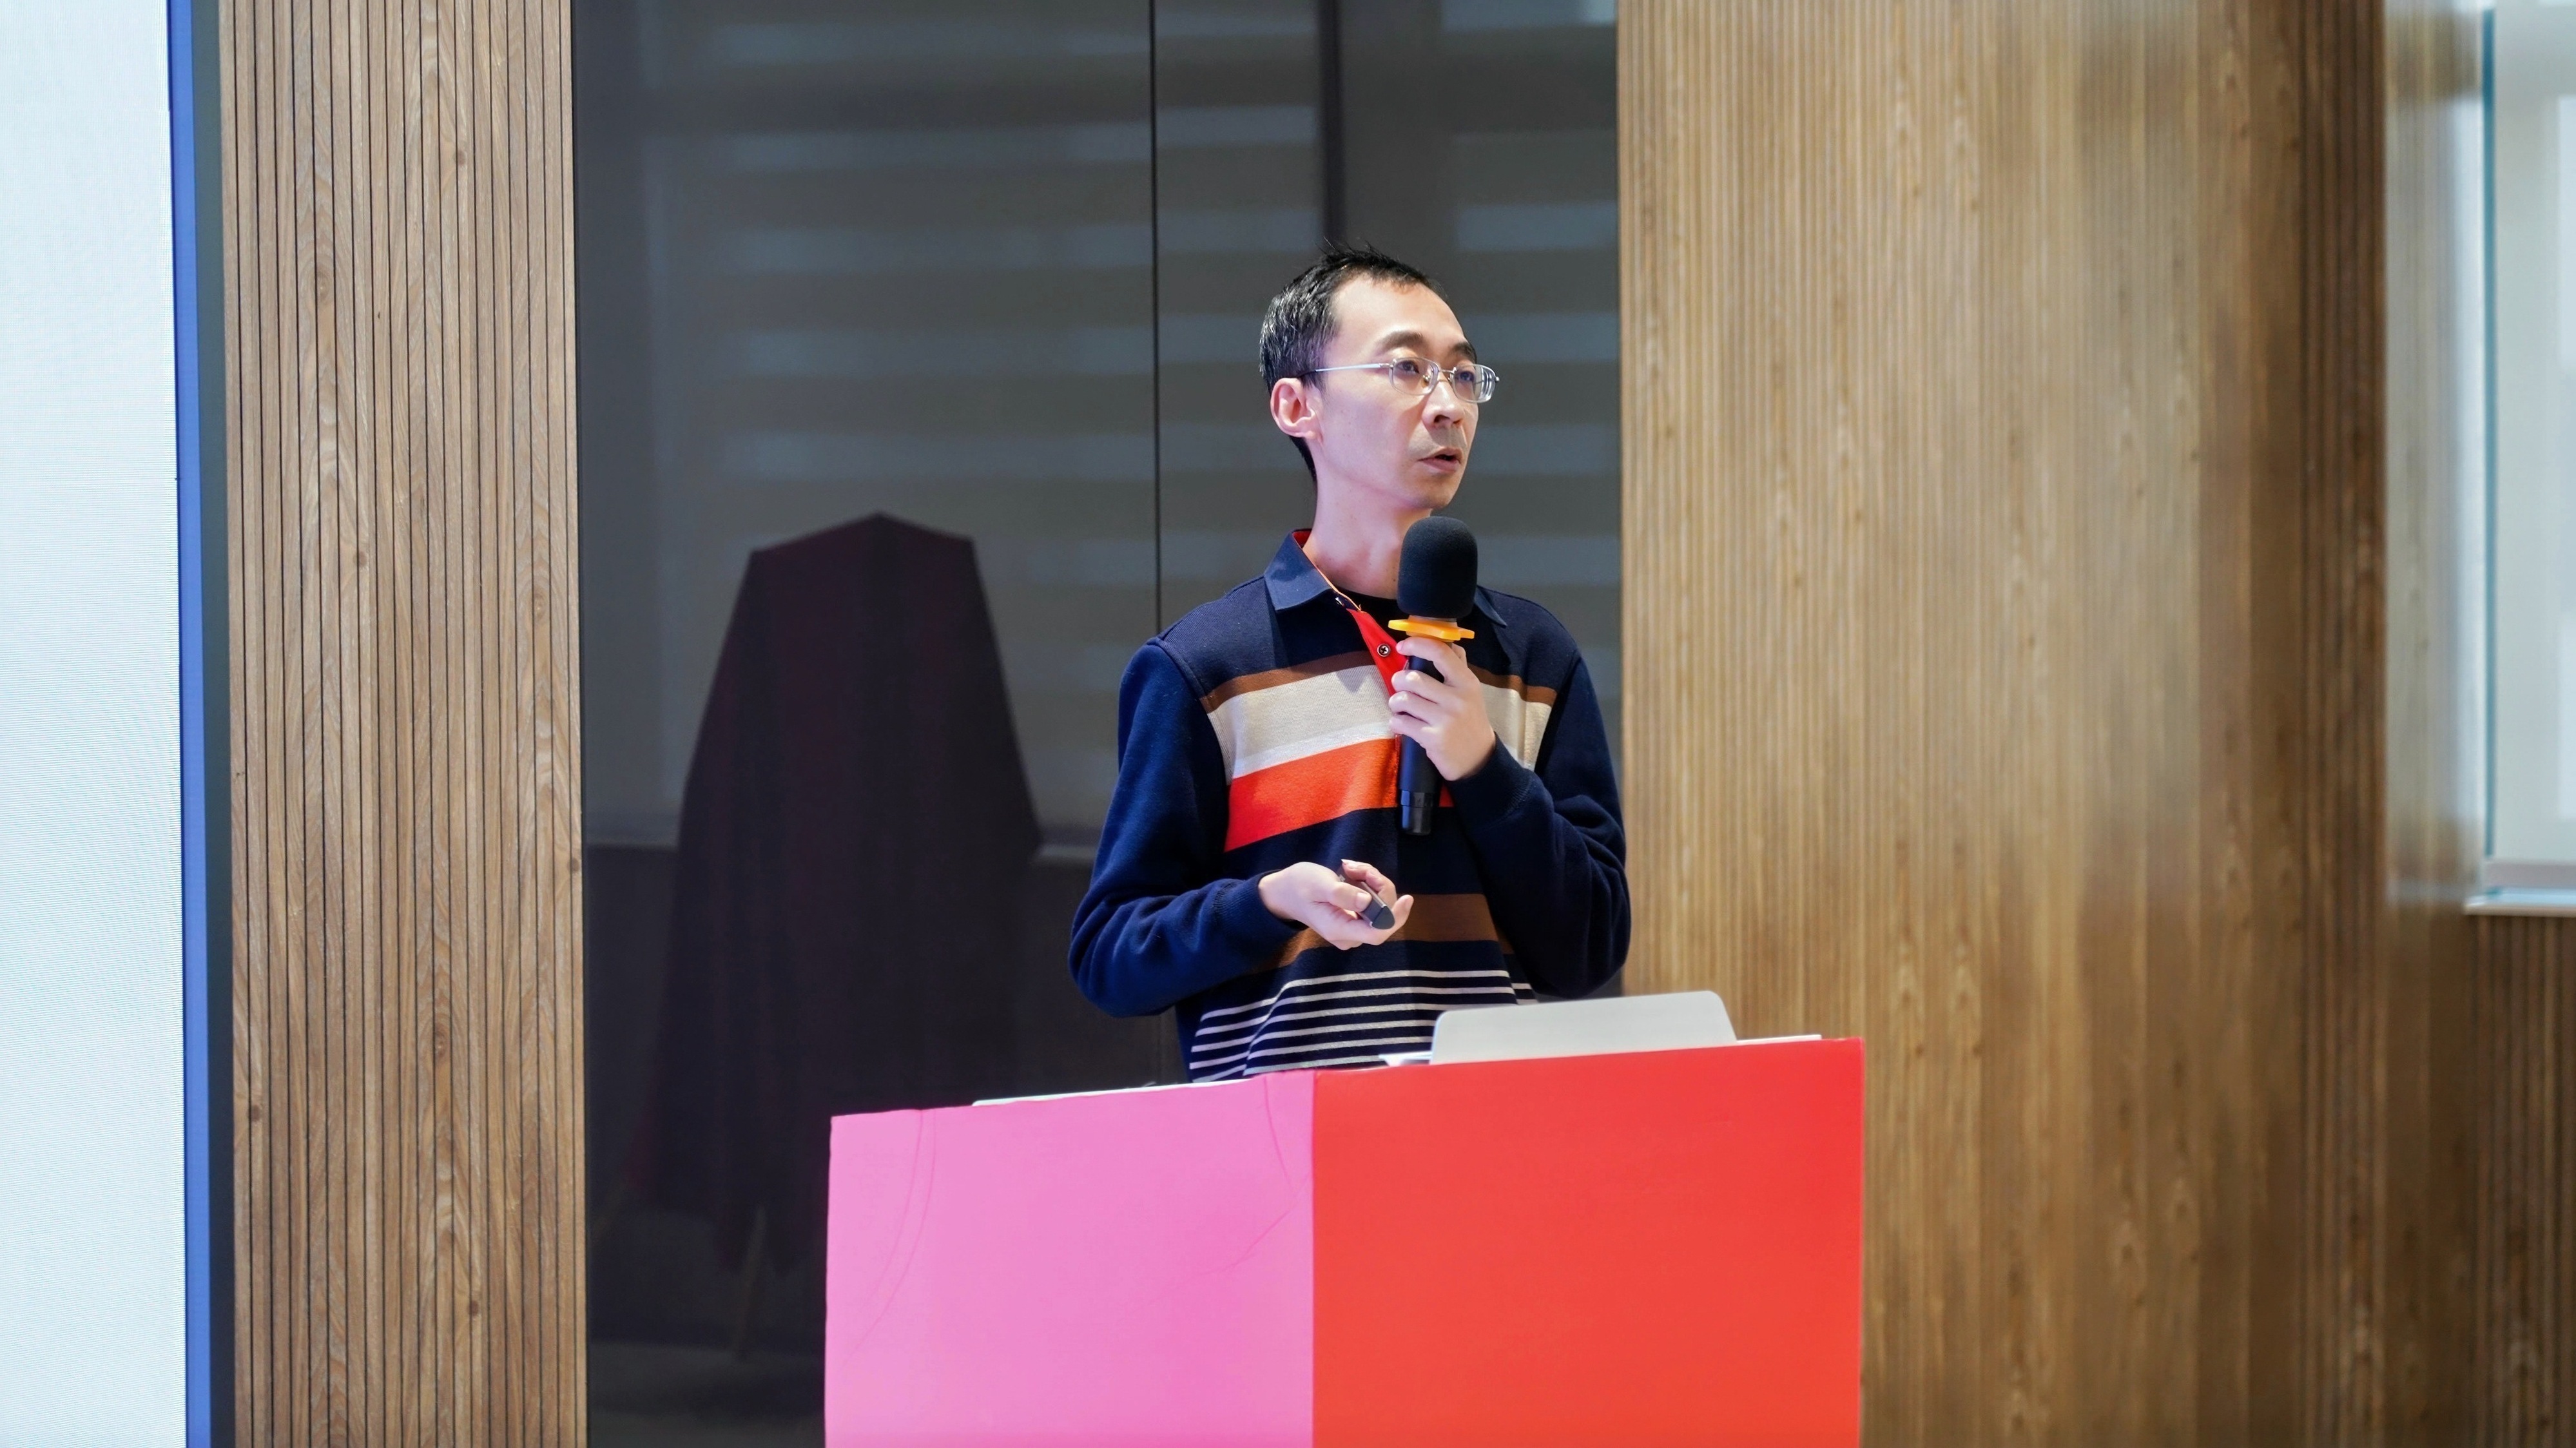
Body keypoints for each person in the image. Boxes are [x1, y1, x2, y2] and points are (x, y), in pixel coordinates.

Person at [1070, 245, 1628, 1080]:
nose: (1448, 406)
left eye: (1464, 376)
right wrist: (1267, 902)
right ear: (1298, 405)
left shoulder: (1533, 658)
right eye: (1406, 369)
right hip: (1286, 1145)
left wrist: (1484, 770)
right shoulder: (1204, 669)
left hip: (1487, 1136)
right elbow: (1111, 957)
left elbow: (1590, 948)